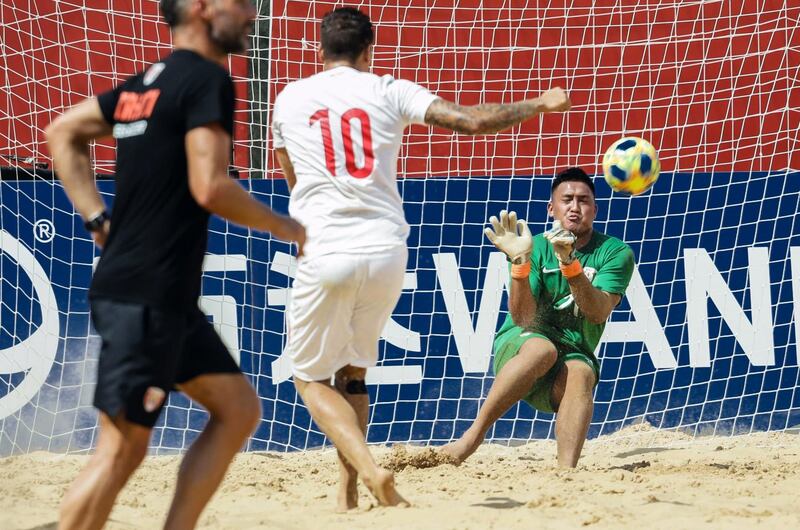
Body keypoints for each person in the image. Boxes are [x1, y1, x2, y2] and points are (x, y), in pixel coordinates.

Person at [271, 6, 570, 510]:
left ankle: (368, 473)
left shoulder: (289, 99)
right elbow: (471, 123)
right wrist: (540, 102)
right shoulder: (388, 88)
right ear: (370, 49)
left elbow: (291, 174)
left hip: (326, 244)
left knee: (308, 377)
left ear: (320, 50)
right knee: (354, 375)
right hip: (386, 250)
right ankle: (345, 493)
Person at [45, 1, 305, 529]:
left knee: (238, 410)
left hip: (163, 297)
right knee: (119, 451)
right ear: (204, 9)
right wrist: (289, 227)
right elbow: (210, 186)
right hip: (147, 295)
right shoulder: (206, 78)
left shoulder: (146, 85)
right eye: (240, 4)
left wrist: (99, 222)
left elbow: (61, 131)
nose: (252, 15)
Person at [440, 168, 635, 468]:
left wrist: (569, 264)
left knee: (582, 372)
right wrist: (519, 263)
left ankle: (566, 473)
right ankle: (471, 438)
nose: (574, 207)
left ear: (594, 210)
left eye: (583, 201)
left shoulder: (615, 252)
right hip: (522, 346)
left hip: (571, 355)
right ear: (551, 208)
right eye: (566, 199)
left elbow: (596, 311)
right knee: (543, 349)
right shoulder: (534, 246)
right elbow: (523, 318)